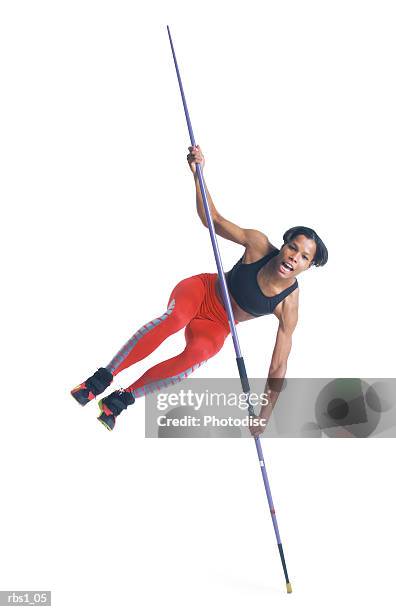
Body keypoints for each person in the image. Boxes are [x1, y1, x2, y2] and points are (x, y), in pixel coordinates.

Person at [71, 145, 328, 433]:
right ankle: (100, 380)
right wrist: (198, 174)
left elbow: (278, 367)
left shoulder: (288, 305)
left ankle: (121, 400)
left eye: (304, 257)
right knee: (175, 319)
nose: (294, 257)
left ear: (308, 266)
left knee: (200, 353)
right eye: (293, 247)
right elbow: (213, 220)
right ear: (284, 245)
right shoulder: (257, 245)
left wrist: (265, 414)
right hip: (202, 291)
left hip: (219, 323)